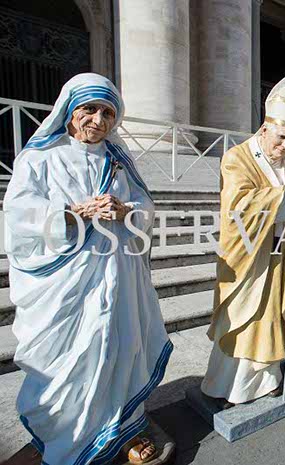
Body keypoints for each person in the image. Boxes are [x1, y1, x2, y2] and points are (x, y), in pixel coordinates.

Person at [4, 73, 171, 464]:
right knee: (68, 361)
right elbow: (18, 214)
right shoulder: (39, 158)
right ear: (69, 110)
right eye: (90, 109)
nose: (98, 120)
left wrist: (126, 210)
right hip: (64, 283)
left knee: (119, 347)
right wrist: (71, 213)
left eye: (108, 113)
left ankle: (123, 428)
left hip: (118, 275)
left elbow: (146, 208)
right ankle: (67, 435)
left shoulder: (118, 161)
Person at [201, 75, 285, 409]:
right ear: (265, 129)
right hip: (249, 258)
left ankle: (267, 380)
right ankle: (230, 386)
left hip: (280, 253)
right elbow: (237, 205)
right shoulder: (237, 157)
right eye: (281, 137)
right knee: (244, 319)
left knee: (271, 320)